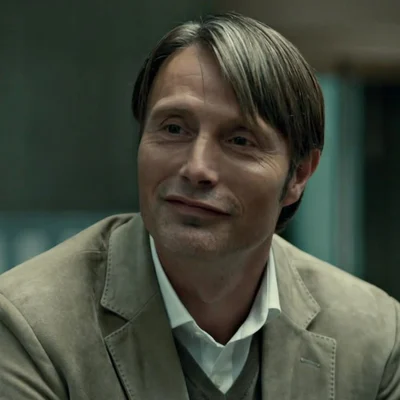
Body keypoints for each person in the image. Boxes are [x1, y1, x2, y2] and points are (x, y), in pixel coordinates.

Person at [0, 12, 399, 400]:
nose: (196, 168)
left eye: (240, 140)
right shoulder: (30, 325)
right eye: (174, 129)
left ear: (298, 175)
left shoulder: (375, 338)